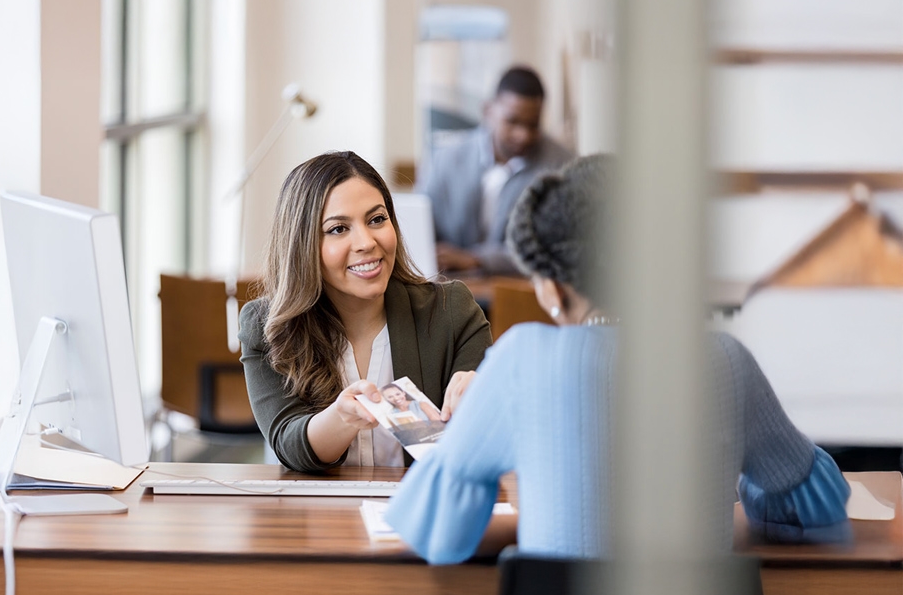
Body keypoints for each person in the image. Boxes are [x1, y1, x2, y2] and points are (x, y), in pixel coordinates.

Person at [385, 154, 852, 565]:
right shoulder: (725, 359)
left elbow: (439, 533)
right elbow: (815, 507)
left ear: (553, 287)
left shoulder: (521, 359)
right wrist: (745, 477)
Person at [239, 151, 492, 473]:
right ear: (301, 244)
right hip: (315, 505)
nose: (366, 242)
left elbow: (482, 449)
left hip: (422, 500)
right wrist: (342, 417)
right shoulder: (267, 325)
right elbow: (288, 445)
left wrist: (486, 399)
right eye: (338, 229)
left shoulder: (451, 310)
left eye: (376, 219)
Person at [417, 65, 574, 275]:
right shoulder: (445, 159)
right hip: (447, 283)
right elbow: (419, 228)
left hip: (520, 289)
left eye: (533, 125)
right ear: (488, 111)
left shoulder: (561, 167)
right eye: (513, 121)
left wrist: (477, 260)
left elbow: (552, 246)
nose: (523, 135)